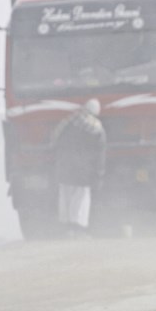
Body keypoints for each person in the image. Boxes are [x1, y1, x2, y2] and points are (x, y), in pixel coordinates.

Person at [52, 99, 106, 236]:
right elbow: (99, 153)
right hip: (83, 170)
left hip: (65, 167)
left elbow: (55, 141)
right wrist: (99, 174)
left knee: (65, 197)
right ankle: (78, 229)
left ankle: (66, 228)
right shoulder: (96, 128)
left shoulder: (68, 122)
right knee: (81, 198)